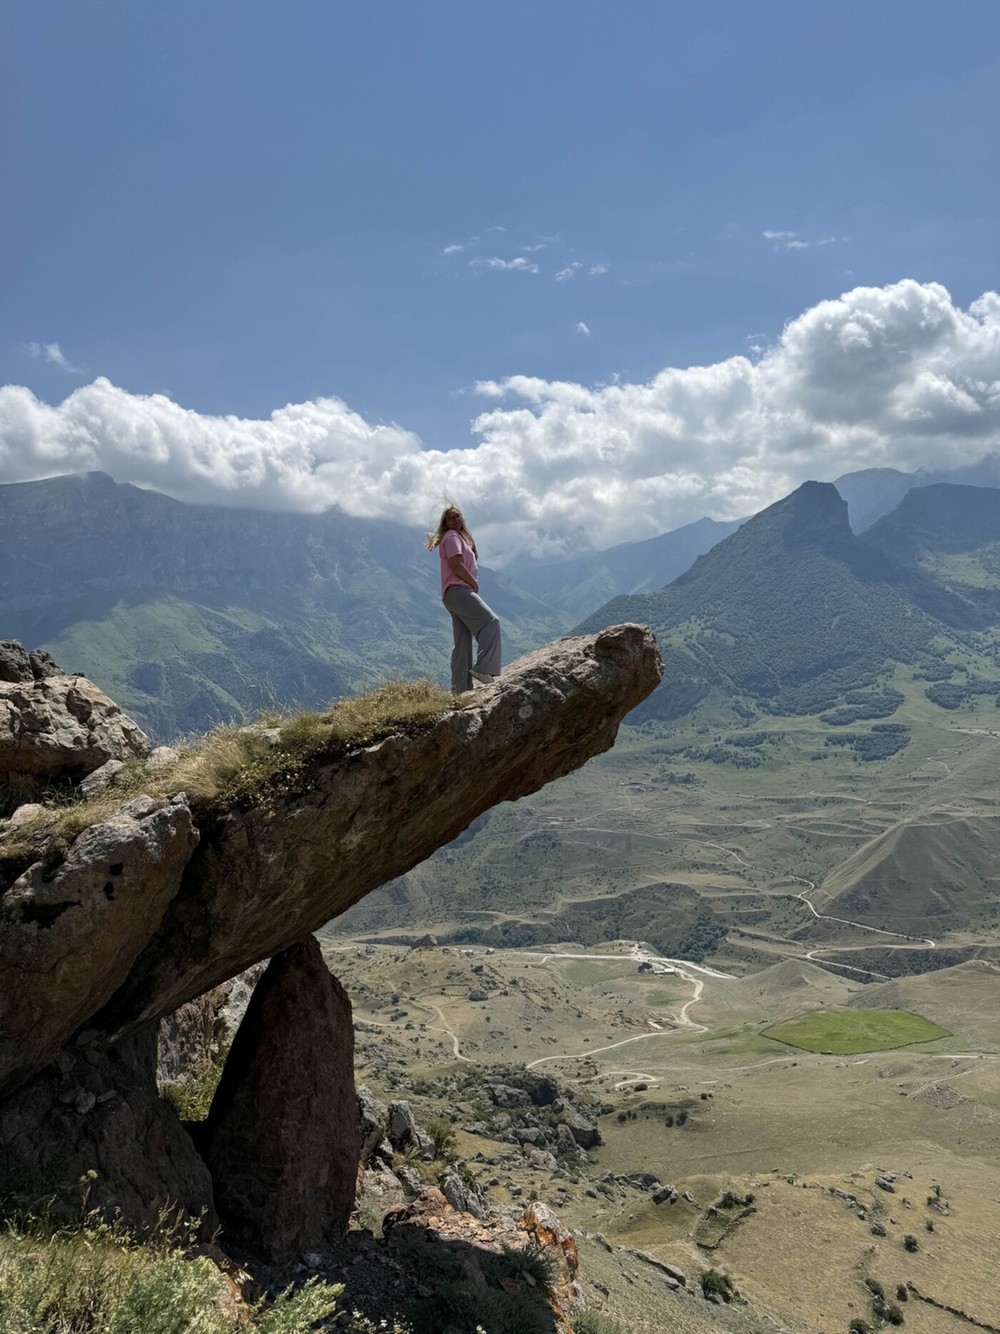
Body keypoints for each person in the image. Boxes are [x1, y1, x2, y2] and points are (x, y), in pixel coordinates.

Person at [426, 505, 502, 693]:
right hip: (459, 591)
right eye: (451, 518)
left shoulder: (458, 538)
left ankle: (459, 690)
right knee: (491, 622)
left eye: (458, 516)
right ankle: (484, 669)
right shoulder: (452, 537)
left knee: (462, 642)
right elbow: (455, 565)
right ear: (446, 523)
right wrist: (473, 584)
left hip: (451, 595)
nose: (456, 520)